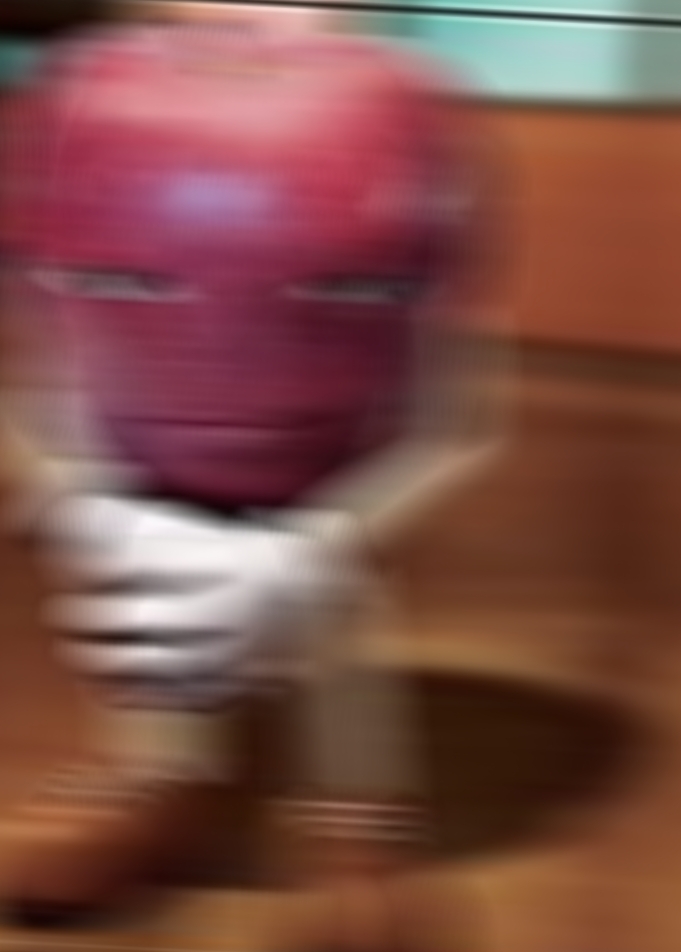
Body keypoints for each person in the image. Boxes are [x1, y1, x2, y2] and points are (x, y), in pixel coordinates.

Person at [0, 16, 505, 950]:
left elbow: (454, 414)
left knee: (323, 605)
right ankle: (162, 783)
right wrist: (81, 501)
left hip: (323, 466)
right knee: (145, 598)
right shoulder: (84, 160)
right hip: (139, 456)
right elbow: (44, 368)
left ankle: (359, 826)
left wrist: (308, 543)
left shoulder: (398, 164)